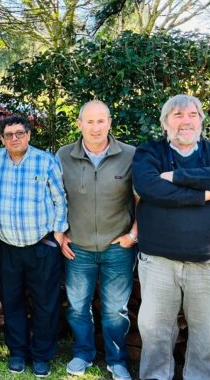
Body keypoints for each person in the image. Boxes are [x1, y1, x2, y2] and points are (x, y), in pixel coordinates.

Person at [133, 94, 210, 379]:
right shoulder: (149, 153)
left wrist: (176, 177)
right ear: (165, 123)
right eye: (177, 115)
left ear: (201, 120)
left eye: (192, 114)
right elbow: (148, 186)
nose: (186, 121)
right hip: (158, 262)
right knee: (155, 334)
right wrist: (203, 194)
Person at [0, 116, 67, 377]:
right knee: (12, 302)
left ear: (29, 135)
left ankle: (42, 355)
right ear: (1, 139)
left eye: (20, 133)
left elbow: (60, 200)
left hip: (41, 245)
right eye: (9, 134)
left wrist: (56, 236)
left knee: (45, 303)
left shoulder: (45, 161)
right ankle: (18, 353)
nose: (15, 138)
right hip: (7, 246)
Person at [56, 101, 137, 380]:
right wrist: (60, 233)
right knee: (78, 307)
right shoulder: (63, 155)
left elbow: (142, 200)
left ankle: (117, 360)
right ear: (79, 124)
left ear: (110, 123)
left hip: (118, 248)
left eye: (101, 121)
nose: (95, 127)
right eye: (89, 122)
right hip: (77, 248)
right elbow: (55, 196)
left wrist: (133, 235)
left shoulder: (130, 155)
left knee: (115, 310)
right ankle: (83, 353)